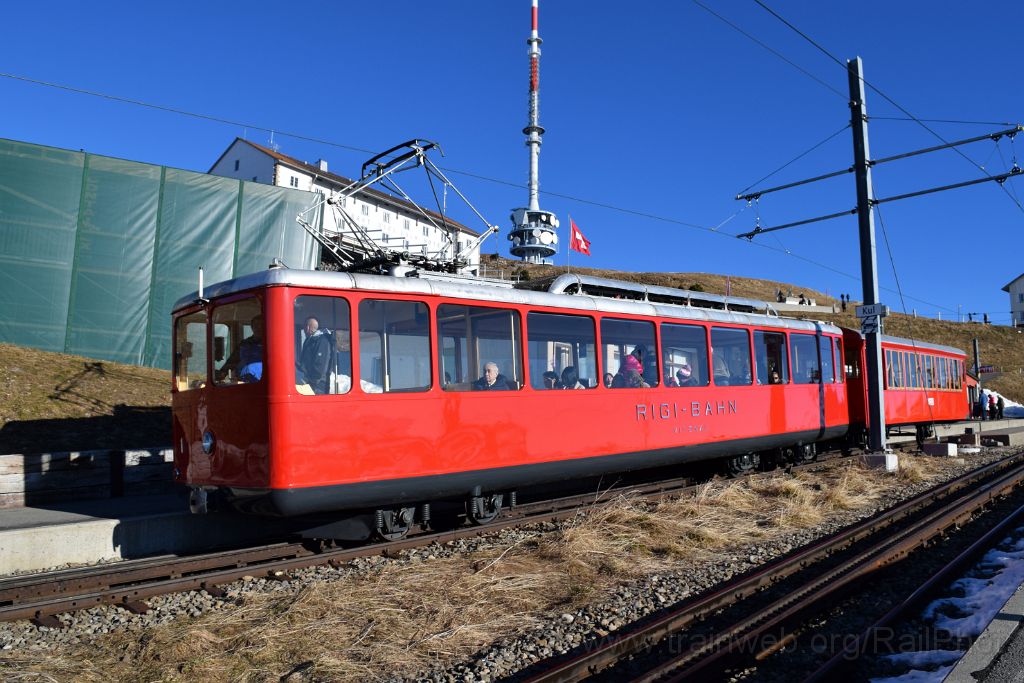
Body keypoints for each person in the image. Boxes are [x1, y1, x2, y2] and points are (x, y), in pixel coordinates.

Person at [218, 314, 264, 383]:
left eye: (262, 325)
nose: (259, 328)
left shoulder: (274, 344)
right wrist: (222, 373)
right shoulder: (244, 344)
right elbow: (232, 362)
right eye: (256, 325)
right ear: (252, 327)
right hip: (244, 382)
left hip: (265, 382)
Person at [298, 316, 333, 395]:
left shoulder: (322, 341)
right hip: (308, 383)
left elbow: (321, 365)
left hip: (318, 387)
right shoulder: (309, 341)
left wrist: (312, 381)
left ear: (307, 327)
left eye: (304, 327)